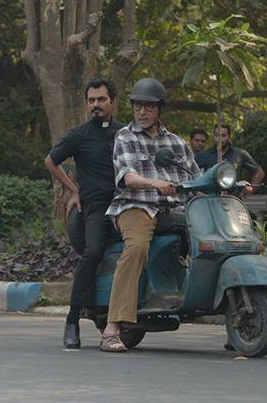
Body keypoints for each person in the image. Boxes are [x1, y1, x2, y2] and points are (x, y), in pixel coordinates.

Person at [100, 77, 201, 353]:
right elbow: (128, 176)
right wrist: (155, 183)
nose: (142, 112)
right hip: (136, 206)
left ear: (159, 110)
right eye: (137, 106)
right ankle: (112, 326)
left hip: (174, 209)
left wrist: (233, 187)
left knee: (209, 241)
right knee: (137, 248)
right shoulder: (125, 137)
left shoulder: (177, 143)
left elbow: (197, 179)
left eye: (148, 107)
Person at [44, 77, 125, 349]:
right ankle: (72, 320)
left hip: (127, 204)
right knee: (93, 252)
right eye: (91, 100)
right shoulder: (79, 135)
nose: (96, 105)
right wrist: (73, 190)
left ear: (112, 102)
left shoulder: (125, 133)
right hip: (95, 206)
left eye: (101, 99)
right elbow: (51, 161)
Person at [195, 124, 265, 192]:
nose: (220, 138)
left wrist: (250, 189)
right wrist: (198, 193)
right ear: (213, 137)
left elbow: (259, 172)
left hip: (233, 199)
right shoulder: (204, 155)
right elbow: (191, 175)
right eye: (217, 135)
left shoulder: (239, 154)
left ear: (229, 137)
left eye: (223, 135)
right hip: (210, 199)